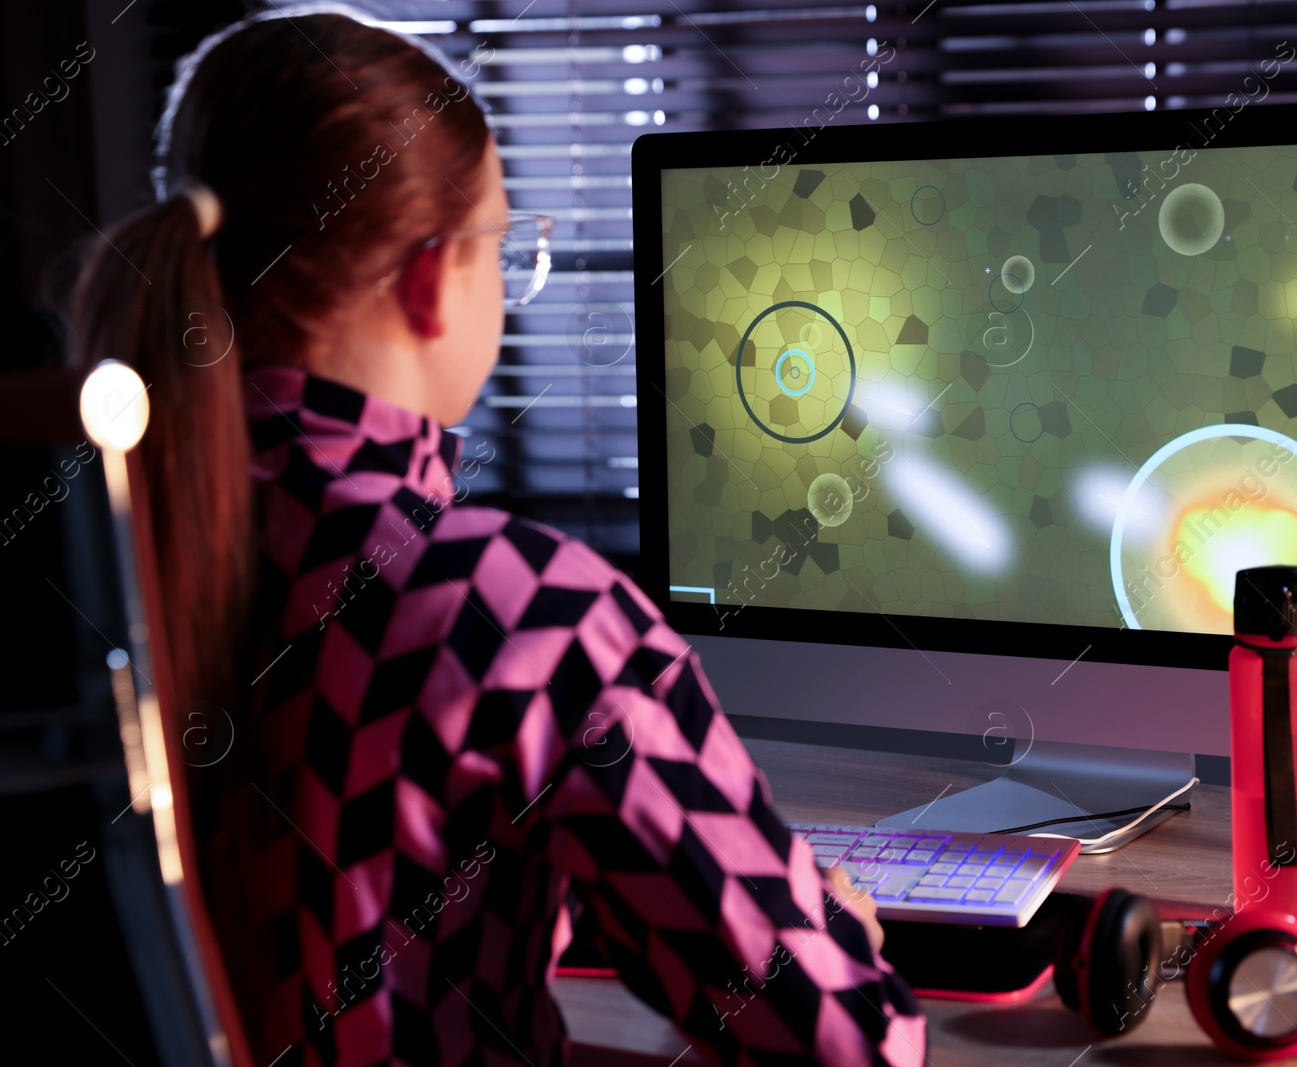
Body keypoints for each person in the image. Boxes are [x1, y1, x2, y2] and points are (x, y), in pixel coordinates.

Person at [67, 8, 924, 1065]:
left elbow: (329, 896)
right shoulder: (519, 608)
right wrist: (827, 929)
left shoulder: (95, 547)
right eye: (506, 251)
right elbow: (849, 1045)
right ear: (433, 277)